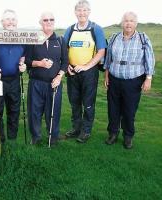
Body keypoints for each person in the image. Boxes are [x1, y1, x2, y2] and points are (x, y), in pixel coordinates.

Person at [104, 11, 155, 149]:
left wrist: (148, 78)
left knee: (129, 110)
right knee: (113, 109)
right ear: (122, 23)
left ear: (136, 23)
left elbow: (149, 59)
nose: (128, 23)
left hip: (133, 81)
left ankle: (128, 136)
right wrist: (106, 75)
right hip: (114, 79)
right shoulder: (114, 38)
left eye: (131, 21)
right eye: (126, 20)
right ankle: (113, 134)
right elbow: (108, 59)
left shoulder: (143, 39)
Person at [64, 0, 106, 143]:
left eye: (84, 10)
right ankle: (76, 128)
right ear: (75, 12)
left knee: (88, 103)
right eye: (79, 10)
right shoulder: (70, 30)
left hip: (89, 72)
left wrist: (88, 66)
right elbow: (65, 50)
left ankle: (86, 131)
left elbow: (101, 51)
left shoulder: (96, 29)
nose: (82, 13)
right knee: (74, 102)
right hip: (73, 72)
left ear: (89, 12)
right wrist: (67, 65)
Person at [25, 11, 68, 145]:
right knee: (34, 112)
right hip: (36, 82)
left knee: (53, 111)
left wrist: (59, 76)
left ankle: (53, 136)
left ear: (54, 22)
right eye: (45, 20)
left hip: (54, 83)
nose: (48, 22)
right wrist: (40, 63)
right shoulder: (33, 39)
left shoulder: (60, 40)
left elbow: (65, 62)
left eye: (51, 20)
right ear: (40, 23)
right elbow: (27, 60)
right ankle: (35, 137)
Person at [0, 10, 26, 143]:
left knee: (14, 110)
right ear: (2, 22)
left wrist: (23, 65)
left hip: (14, 80)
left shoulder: (22, 39)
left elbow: (24, 58)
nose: (10, 22)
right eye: (7, 19)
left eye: (13, 19)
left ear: (17, 22)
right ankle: (0, 139)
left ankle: (12, 139)